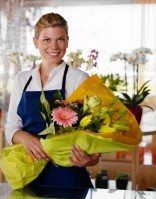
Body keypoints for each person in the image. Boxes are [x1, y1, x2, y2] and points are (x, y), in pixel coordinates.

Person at [5, 12, 101, 188]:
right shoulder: (22, 80)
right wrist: (25, 138)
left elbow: (95, 136)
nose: (54, 46)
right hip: (28, 173)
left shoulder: (79, 79)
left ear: (67, 41)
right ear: (36, 42)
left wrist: (88, 160)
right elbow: (11, 126)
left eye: (60, 39)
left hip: (68, 177)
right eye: (46, 40)